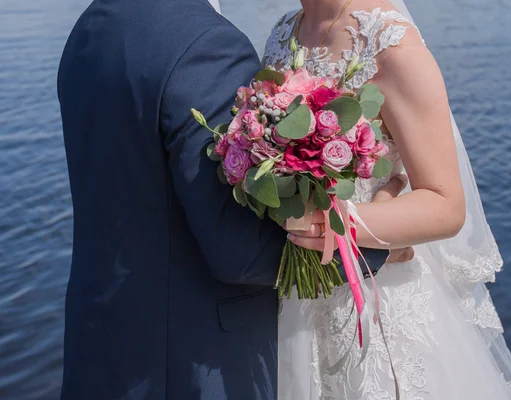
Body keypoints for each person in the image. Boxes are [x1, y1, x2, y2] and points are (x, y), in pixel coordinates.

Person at [56, 0, 412, 398]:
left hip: (102, 343)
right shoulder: (205, 45)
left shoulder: (92, 24)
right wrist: (374, 245)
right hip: (189, 362)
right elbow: (240, 252)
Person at [258, 0, 511, 399]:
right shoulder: (283, 33)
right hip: (292, 301)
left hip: (376, 299)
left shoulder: (389, 42)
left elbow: (445, 205)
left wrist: (336, 225)